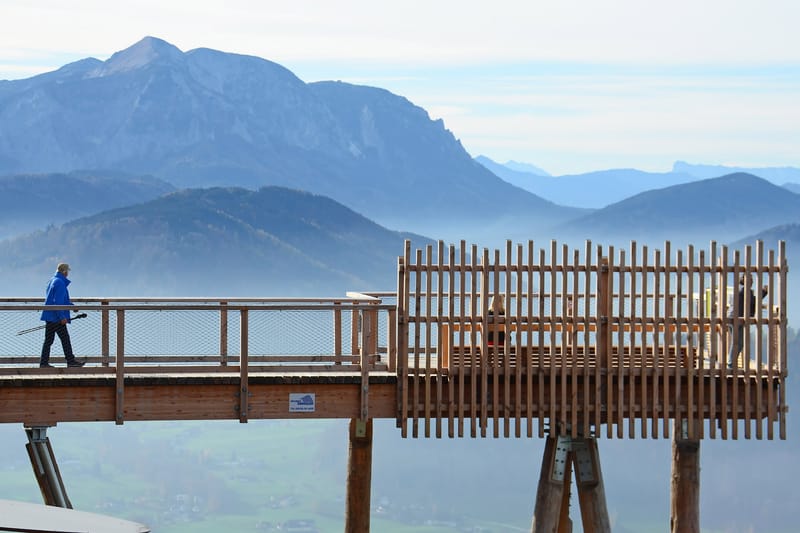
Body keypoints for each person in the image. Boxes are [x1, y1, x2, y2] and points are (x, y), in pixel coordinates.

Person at [40, 263, 85, 368]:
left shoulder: (52, 280)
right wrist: (62, 317)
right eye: (67, 271)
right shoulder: (60, 283)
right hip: (56, 317)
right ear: (64, 272)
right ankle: (71, 361)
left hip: (50, 315)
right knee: (65, 339)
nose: (68, 273)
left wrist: (71, 307)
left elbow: (56, 300)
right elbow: (58, 302)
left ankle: (43, 363)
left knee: (49, 340)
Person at [727, 273, 768, 368]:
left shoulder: (738, 289)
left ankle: (731, 363)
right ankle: (730, 364)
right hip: (738, 319)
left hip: (731, 317)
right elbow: (754, 301)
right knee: (738, 343)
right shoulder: (745, 290)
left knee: (736, 342)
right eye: (751, 279)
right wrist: (764, 292)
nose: (752, 281)